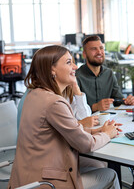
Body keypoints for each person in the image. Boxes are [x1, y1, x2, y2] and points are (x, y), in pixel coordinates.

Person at [9, 45, 121, 189]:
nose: (75, 66)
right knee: (109, 174)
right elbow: (86, 145)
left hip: (28, 174)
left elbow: (66, 130)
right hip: (44, 181)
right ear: (52, 69)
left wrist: (96, 131)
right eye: (69, 62)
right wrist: (106, 134)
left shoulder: (34, 94)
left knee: (96, 164)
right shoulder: (53, 102)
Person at [76, 35, 134, 112]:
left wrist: (127, 101)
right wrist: (96, 107)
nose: (99, 52)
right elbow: (74, 111)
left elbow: (118, 99)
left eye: (101, 48)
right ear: (84, 54)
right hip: (86, 122)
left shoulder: (109, 73)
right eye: (94, 49)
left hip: (108, 120)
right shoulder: (77, 77)